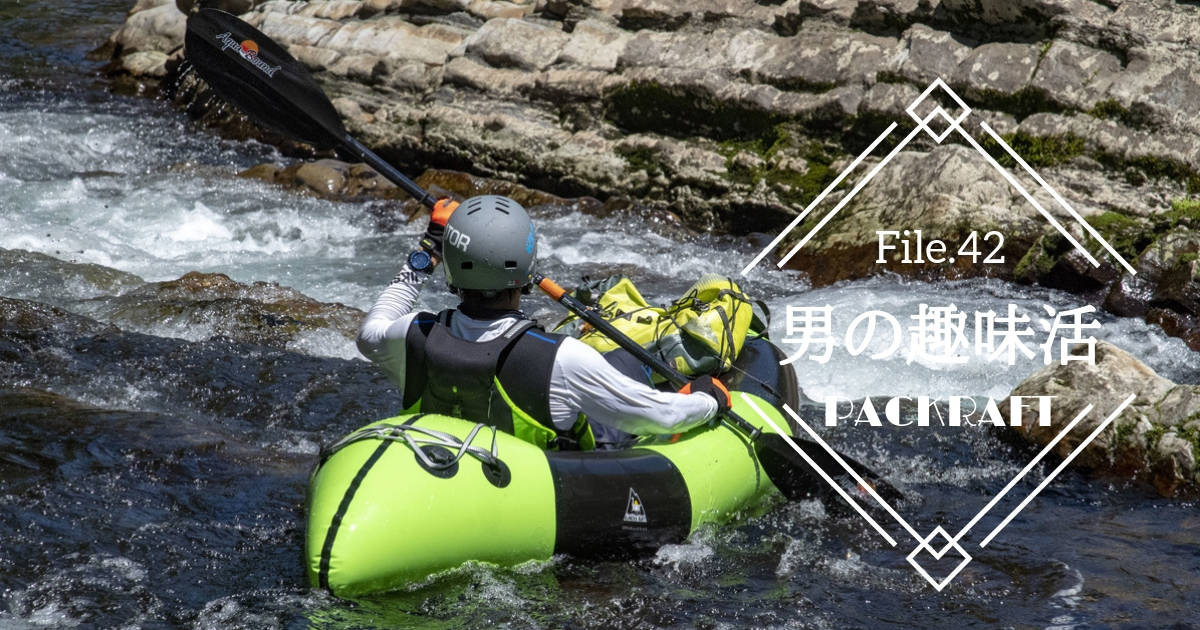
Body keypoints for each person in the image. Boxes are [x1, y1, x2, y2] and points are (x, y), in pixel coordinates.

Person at [356, 194, 732, 451]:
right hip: (547, 479)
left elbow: (371, 328)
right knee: (626, 362)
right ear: (527, 270)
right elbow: (660, 416)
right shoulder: (563, 359)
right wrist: (707, 399)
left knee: (614, 364)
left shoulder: (411, 333)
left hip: (445, 461)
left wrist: (428, 249)